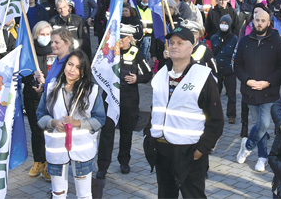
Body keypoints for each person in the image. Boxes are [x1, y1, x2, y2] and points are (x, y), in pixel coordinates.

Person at [145, 25, 223, 198]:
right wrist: (148, 135)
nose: (174, 46)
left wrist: (201, 149)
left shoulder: (202, 76)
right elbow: (156, 109)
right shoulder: (161, 74)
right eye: (171, 43)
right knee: (165, 194)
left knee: (193, 195)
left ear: (191, 47)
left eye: (180, 43)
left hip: (189, 151)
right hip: (162, 149)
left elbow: (216, 119)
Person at [36, 50, 106, 199]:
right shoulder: (51, 87)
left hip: (82, 150)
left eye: (77, 67)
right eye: (70, 64)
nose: (72, 70)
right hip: (57, 149)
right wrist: (52, 122)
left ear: (82, 71)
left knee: (84, 194)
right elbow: (40, 115)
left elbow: (100, 119)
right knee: (58, 193)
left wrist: (78, 123)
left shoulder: (91, 90)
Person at [234, 9, 281, 172]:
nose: (259, 23)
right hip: (250, 91)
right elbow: (237, 65)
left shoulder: (277, 40)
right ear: (253, 21)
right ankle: (262, 157)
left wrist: (268, 82)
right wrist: (247, 80)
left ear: (268, 23)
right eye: (257, 20)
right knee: (259, 125)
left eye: (263, 21)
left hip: (269, 91)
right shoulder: (244, 41)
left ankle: (248, 145)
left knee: (264, 124)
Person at [96, 24, 152, 179]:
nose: (119, 40)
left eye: (122, 37)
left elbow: (148, 74)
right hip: (109, 97)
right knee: (107, 132)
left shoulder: (135, 53)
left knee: (126, 131)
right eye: (118, 37)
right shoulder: (109, 51)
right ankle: (102, 166)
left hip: (128, 98)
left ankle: (124, 161)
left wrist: (137, 79)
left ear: (129, 39)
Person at [22, 21, 56, 181]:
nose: (45, 37)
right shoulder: (29, 52)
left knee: (50, 131)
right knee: (36, 130)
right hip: (32, 97)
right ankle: (38, 161)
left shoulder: (56, 52)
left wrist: (47, 81)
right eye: (42, 34)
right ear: (35, 35)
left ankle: (50, 163)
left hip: (51, 97)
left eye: (47, 34)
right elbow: (21, 72)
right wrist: (32, 78)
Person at [210, 14, 238, 124]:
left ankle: (231, 115)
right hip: (217, 70)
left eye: (226, 24)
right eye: (222, 23)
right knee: (215, 95)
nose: (223, 25)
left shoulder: (234, 39)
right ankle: (214, 114)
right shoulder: (214, 38)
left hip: (230, 71)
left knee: (232, 95)